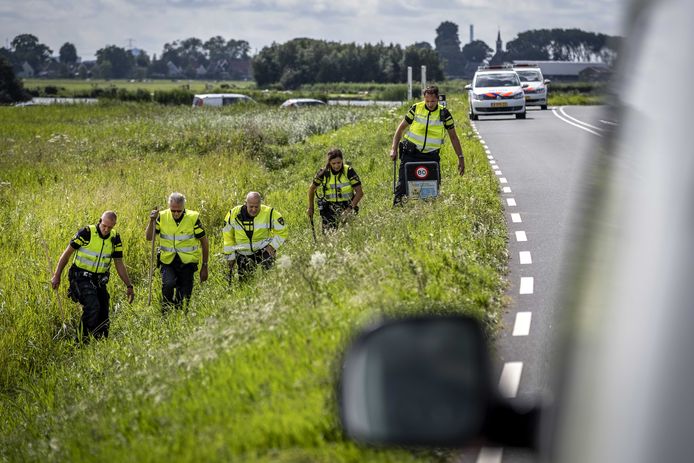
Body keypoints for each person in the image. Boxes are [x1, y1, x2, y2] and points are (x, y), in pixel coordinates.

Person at [51, 210, 135, 340]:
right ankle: (80, 342)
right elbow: (66, 255)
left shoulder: (115, 238)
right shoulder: (86, 233)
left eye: (110, 227)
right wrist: (57, 275)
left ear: (114, 226)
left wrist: (129, 285)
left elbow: (119, 263)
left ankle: (99, 342)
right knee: (92, 305)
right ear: (100, 221)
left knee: (103, 310)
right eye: (104, 226)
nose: (106, 229)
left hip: (99, 280)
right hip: (79, 277)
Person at [389, 85, 465, 205]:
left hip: (431, 157)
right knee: (402, 187)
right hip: (411, 154)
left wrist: (461, 157)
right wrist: (393, 149)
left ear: (438, 99)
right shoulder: (416, 108)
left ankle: (427, 214)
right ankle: (397, 211)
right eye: (427, 101)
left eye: (433, 101)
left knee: (432, 190)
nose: (430, 104)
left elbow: (454, 137)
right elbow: (400, 129)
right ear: (424, 98)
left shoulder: (444, 114)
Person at [145, 192, 209, 312]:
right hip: (168, 260)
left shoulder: (193, 218)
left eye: (179, 211)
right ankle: (166, 313)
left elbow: (204, 242)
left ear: (183, 208)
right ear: (169, 206)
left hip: (188, 263)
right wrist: (151, 221)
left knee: (184, 297)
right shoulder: (162, 216)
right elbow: (149, 237)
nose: (175, 213)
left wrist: (204, 266)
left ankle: (180, 316)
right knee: (168, 284)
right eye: (173, 210)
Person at [223, 191, 288, 281]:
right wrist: (230, 257)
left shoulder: (269, 213)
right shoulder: (233, 214)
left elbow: (282, 231)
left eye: (256, 207)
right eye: (251, 206)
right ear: (246, 204)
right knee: (245, 284)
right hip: (243, 254)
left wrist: (272, 245)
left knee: (270, 279)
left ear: (260, 204)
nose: (254, 209)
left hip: (264, 250)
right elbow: (228, 237)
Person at [307, 148, 364, 232]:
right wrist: (311, 207)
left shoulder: (349, 171)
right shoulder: (323, 172)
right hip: (329, 207)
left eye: (339, 163)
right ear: (329, 162)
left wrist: (348, 210)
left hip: (347, 205)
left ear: (342, 161)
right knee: (328, 237)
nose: (336, 166)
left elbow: (360, 193)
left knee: (349, 234)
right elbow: (312, 189)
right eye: (333, 163)